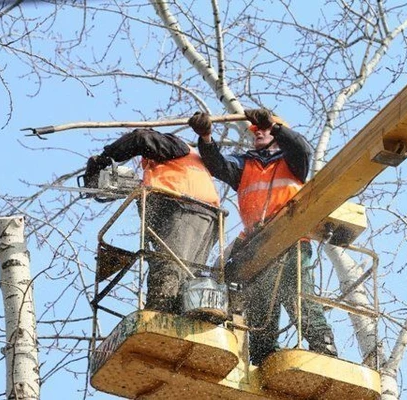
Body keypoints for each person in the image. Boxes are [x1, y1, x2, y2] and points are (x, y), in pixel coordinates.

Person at [188, 109, 337, 366]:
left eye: (263, 130)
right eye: (256, 131)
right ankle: (263, 358)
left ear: (277, 133)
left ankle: (323, 345)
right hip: (257, 246)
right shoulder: (245, 163)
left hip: (291, 240)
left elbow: (301, 149)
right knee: (260, 304)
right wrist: (206, 138)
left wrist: (275, 126)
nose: (257, 133)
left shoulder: (292, 161)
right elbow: (218, 165)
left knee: (297, 293)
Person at [84, 128, 221, 315]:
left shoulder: (176, 147)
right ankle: (182, 313)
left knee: (168, 264)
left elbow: (141, 138)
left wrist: (104, 158)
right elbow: (149, 191)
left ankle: (158, 313)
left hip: (186, 209)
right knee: (188, 275)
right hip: (204, 217)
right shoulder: (163, 173)